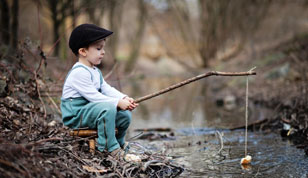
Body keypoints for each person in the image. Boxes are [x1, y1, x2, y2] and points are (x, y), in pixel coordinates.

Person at [60, 24, 138, 158]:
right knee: (107, 109)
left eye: (103, 48)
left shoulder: (95, 71)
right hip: (76, 115)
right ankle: (109, 147)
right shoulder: (79, 72)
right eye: (98, 48)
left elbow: (107, 89)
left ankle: (119, 143)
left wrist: (124, 98)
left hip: (90, 111)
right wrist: (117, 102)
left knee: (125, 115)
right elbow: (94, 97)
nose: (103, 52)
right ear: (83, 51)